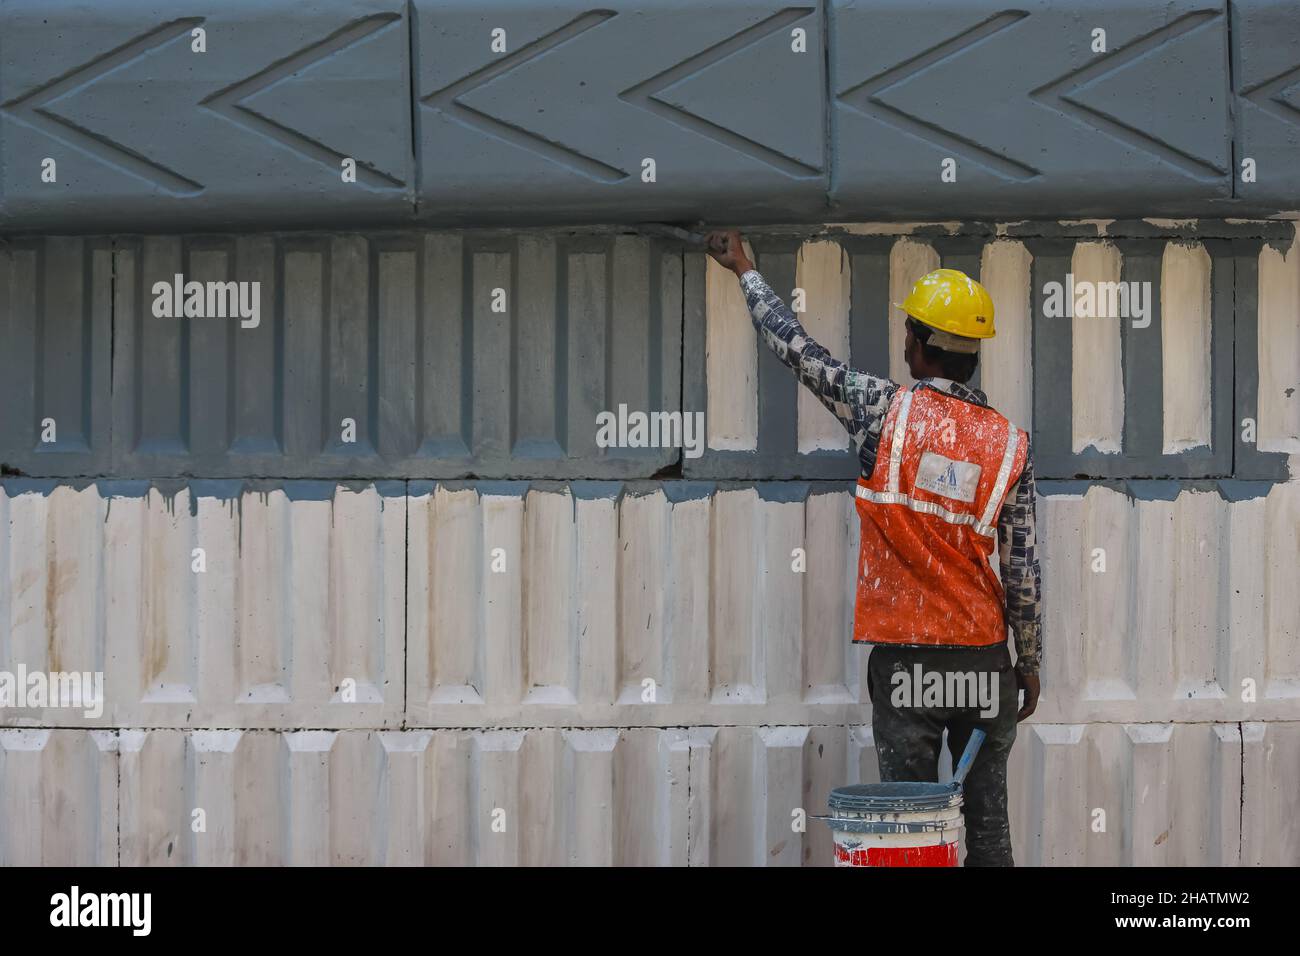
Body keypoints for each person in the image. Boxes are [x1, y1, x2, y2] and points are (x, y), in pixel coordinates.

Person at [706, 230, 1042, 866]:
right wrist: (1029, 662)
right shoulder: (1010, 445)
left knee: (909, 830)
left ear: (917, 345)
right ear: (972, 356)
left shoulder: (884, 411)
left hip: (907, 663)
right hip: (983, 661)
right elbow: (1022, 571)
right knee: (989, 832)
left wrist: (746, 271)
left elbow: (800, 354)